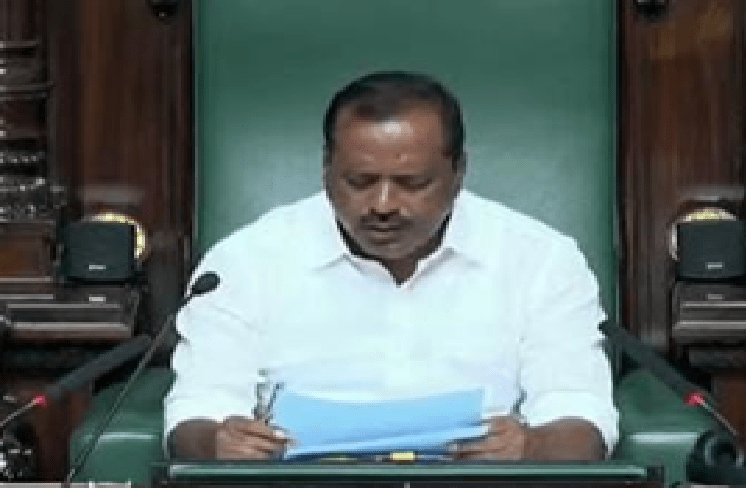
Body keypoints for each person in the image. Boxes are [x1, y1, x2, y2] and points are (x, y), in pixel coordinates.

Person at [165, 71, 618, 461]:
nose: (383, 205)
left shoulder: (541, 260)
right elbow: (197, 411)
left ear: (459, 172)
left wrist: (534, 447)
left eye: (412, 183)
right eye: (359, 181)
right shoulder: (243, 262)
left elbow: (580, 413)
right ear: (326, 168)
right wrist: (218, 442)